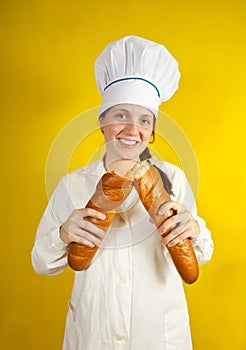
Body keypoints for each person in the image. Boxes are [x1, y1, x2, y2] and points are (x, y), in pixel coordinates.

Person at [31, 36, 214, 350]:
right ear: (102, 122)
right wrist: (62, 234)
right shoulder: (73, 184)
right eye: (120, 116)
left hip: (158, 334)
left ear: (152, 132)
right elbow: (42, 263)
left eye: (144, 120)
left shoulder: (173, 178)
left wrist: (195, 230)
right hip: (93, 333)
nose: (132, 130)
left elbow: (202, 254)